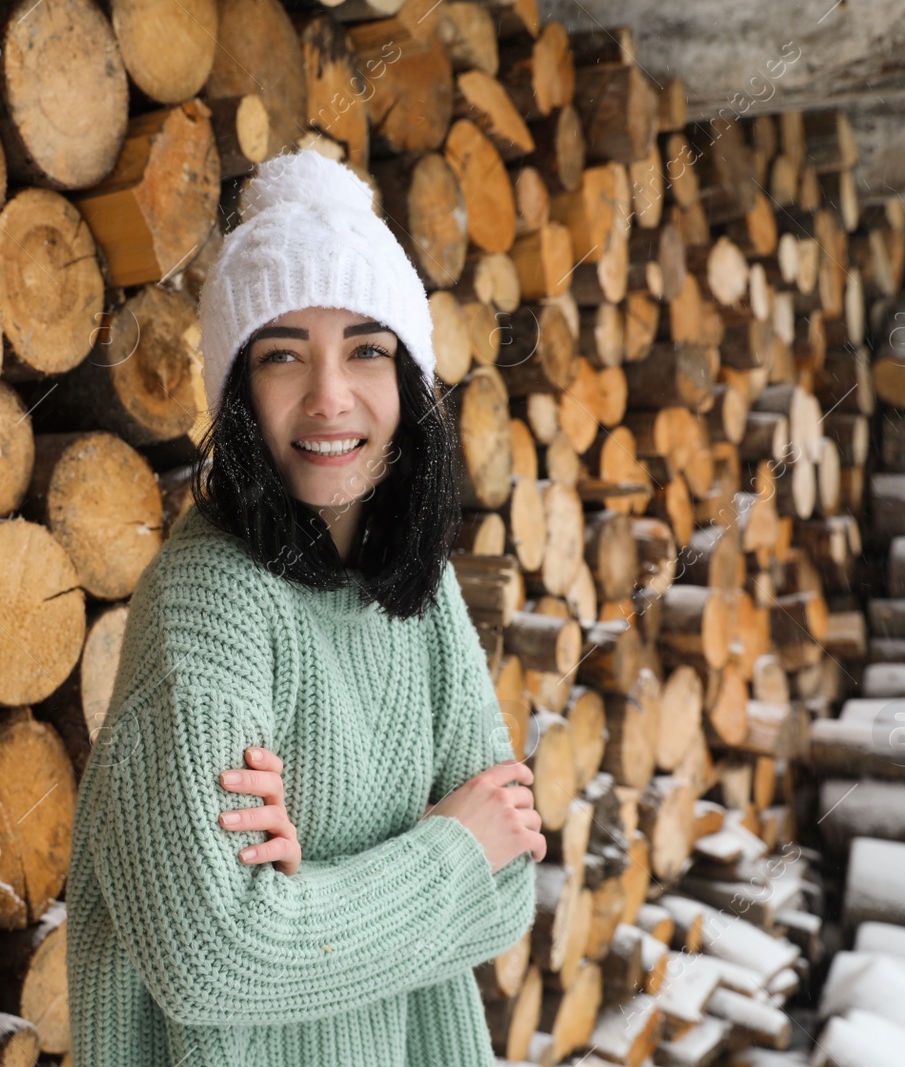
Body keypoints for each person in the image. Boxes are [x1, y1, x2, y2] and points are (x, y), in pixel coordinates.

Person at [65, 148, 546, 1067]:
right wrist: (447, 847)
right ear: (238, 391)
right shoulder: (210, 604)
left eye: (367, 348)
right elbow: (216, 958)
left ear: (409, 380)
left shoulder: (420, 584)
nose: (330, 399)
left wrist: (311, 894)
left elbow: (512, 882)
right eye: (283, 355)